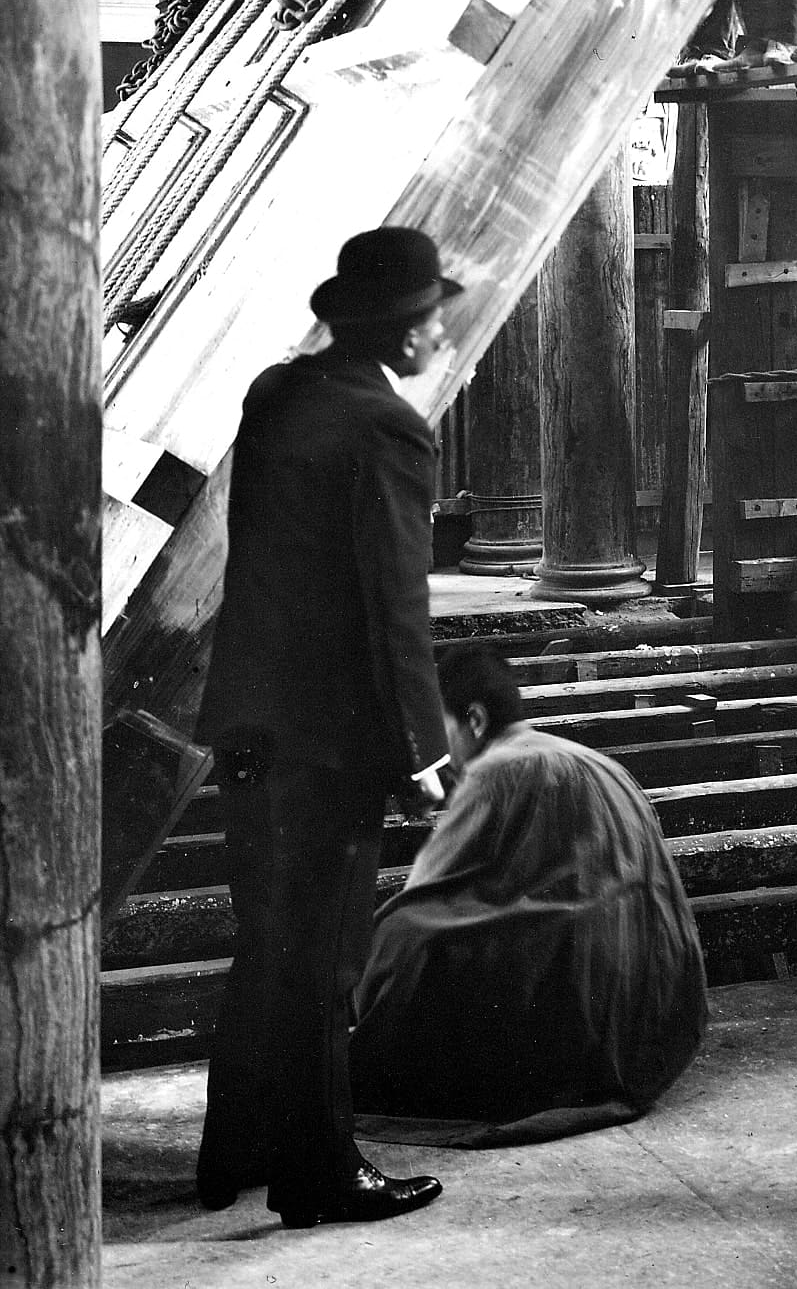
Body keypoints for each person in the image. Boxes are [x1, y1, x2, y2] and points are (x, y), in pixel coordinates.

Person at [194, 226, 459, 1229]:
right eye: (433, 312)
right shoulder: (388, 426)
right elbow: (392, 603)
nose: (441, 328)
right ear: (400, 329)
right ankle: (317, 1169)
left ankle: (237, 1147)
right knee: (325, 959)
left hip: (250, 719)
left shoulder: (279, 394)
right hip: (330, 737)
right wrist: (423, 750)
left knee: (266, 937)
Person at [350, 645, 708, 1126]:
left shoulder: (496, 770)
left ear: (474, 720)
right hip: (653, 1016)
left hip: (582, 1012)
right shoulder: (596, 761)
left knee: (399, 929)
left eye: (440, 731)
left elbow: (425, 886)